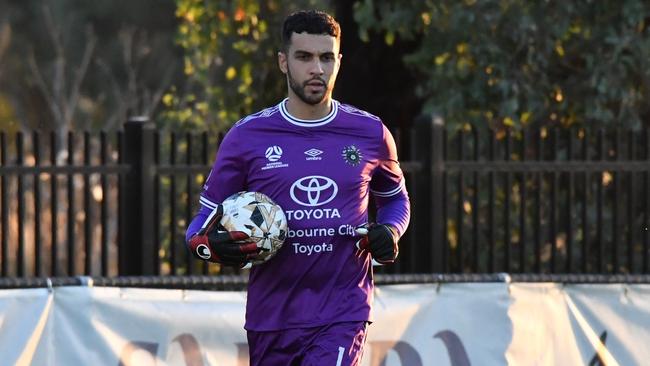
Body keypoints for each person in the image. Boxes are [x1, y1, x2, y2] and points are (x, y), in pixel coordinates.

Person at [185, 9, 410, 366]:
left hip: (342, 311)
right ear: (283, 62)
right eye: (304, 57)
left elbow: (396, 199)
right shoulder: (247, 137)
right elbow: (202, 224)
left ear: (339, 61)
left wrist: (390, 231)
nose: (316, 69)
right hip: (271, 317)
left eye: (325, 58)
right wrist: (206, 247)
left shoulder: (370, 133)